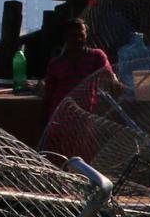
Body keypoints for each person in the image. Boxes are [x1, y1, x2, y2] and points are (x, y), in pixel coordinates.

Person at [40, 17, 116, 159]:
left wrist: (118, 84)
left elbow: (109, 76)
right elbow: (48, 94)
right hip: (60, 116)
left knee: (82, 157)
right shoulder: (57, 63)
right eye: (73, 36)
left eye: (81, 35)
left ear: (86, 35)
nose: (78, 39)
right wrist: (45, 121)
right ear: (66, 37)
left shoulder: (96, 56)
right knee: (59, 157)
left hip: (84, 116)